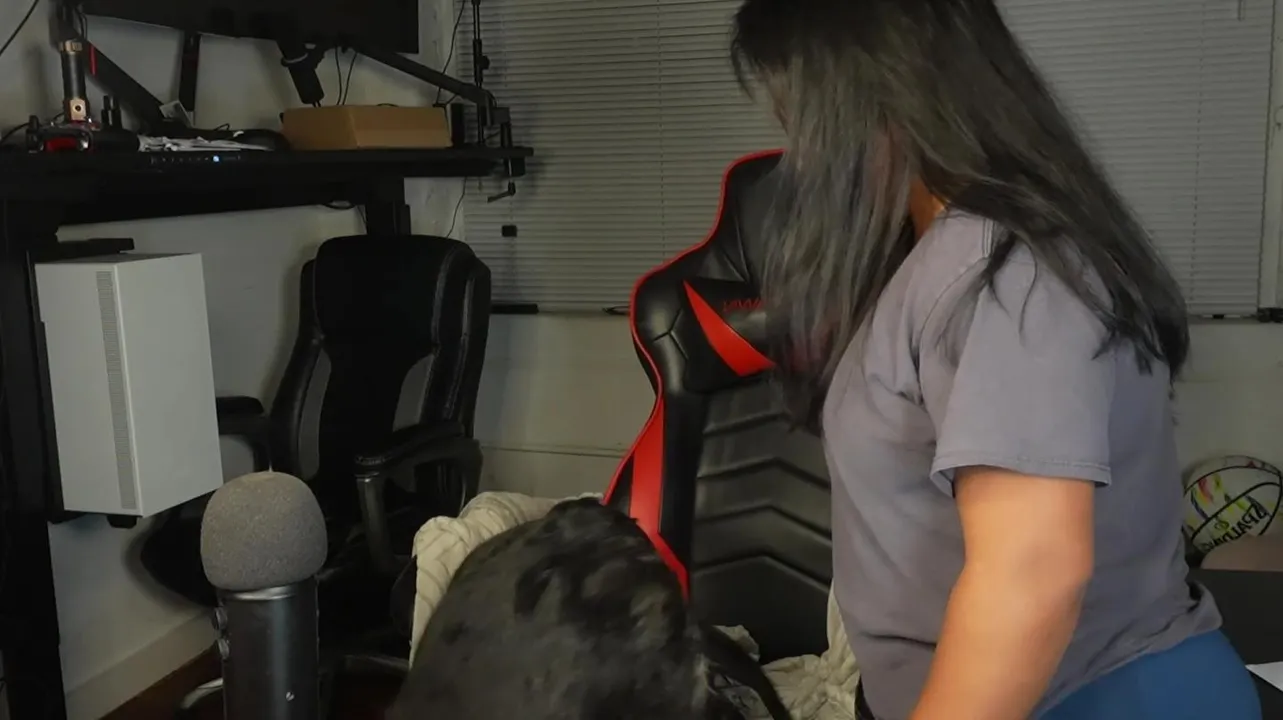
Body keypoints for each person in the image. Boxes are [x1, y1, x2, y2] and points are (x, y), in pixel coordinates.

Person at [729, 1, 1262, 719]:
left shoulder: (1002, 266)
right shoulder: (946, 258)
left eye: (799, 120)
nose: (798, 157)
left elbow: (1033, 573)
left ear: (874, 97)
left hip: (1088, 700)